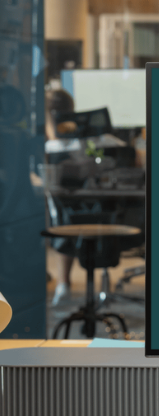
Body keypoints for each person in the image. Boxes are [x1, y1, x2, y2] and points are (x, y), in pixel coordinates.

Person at [44, 89, 78, 306]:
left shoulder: (68, 136)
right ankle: (62, 282)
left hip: (62, 196)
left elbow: (57, 139)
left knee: (63, 221)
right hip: (48, 195)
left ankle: (63, 283)